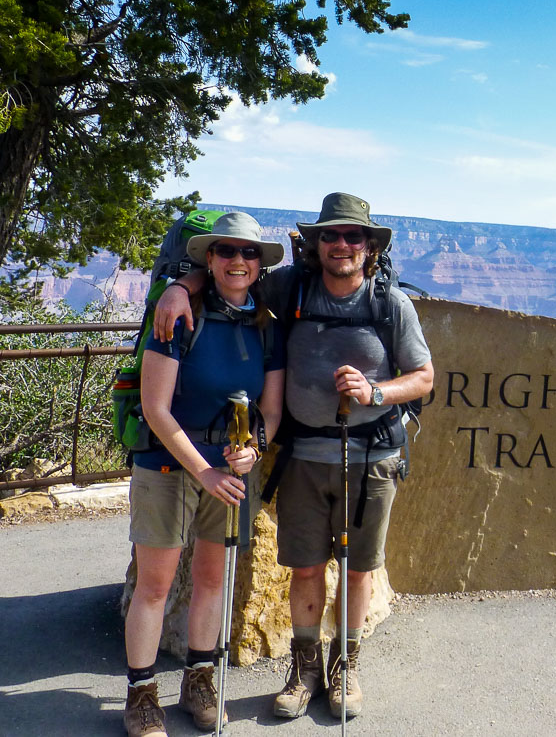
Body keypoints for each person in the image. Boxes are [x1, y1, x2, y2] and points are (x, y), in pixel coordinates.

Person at [155, 192, 434, 720]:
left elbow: (424, 377)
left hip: (370, 457)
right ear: (314, 243)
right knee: (304, 568)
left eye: (353, 236)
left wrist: (376, 392)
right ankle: (303, 670)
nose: (342, 245)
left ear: (369, 246)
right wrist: (179, 286)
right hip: (304, 455)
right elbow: (234, 279)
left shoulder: (390, 304)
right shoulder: (293, 286)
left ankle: (344, 668)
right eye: (330, 235)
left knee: (357, 571)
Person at [123, 212, 286, 737]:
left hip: (231, 468)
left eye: (249, 253)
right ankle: (142, 696)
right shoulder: (179, 314)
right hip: (170, 465)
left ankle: (199, 678)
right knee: (155, 585)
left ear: (260, 264)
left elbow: (271, 410)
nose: (239, 261)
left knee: (212, 579)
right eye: (227, 252)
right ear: (209, 259)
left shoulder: (266, 324)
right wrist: (204, 470)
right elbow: (156, 408)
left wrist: (253, 450)